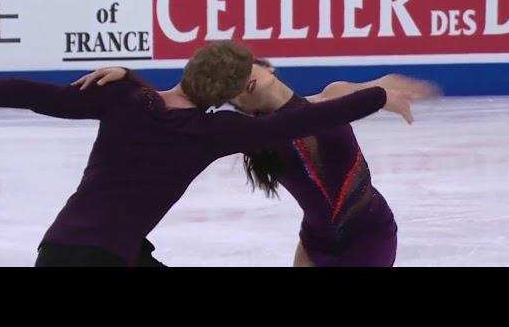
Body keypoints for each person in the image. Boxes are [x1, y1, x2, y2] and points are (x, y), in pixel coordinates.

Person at [0, 41, 413, 267]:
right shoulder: (212, 131)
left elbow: (23, 91)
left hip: (61, 251)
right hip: (106, 260)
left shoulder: (124, 95)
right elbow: (298, 121)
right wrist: (377, 96)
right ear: (228, 94)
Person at [78, 60, 438, 266]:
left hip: (369, 232)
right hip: (316, 244)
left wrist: (404, 91)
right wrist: (127, 78)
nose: (240, 84)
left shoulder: (332, 96)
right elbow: (168, 110)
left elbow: (382, 83)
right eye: (231, 90)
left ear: (266, 66)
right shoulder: (254, 135)